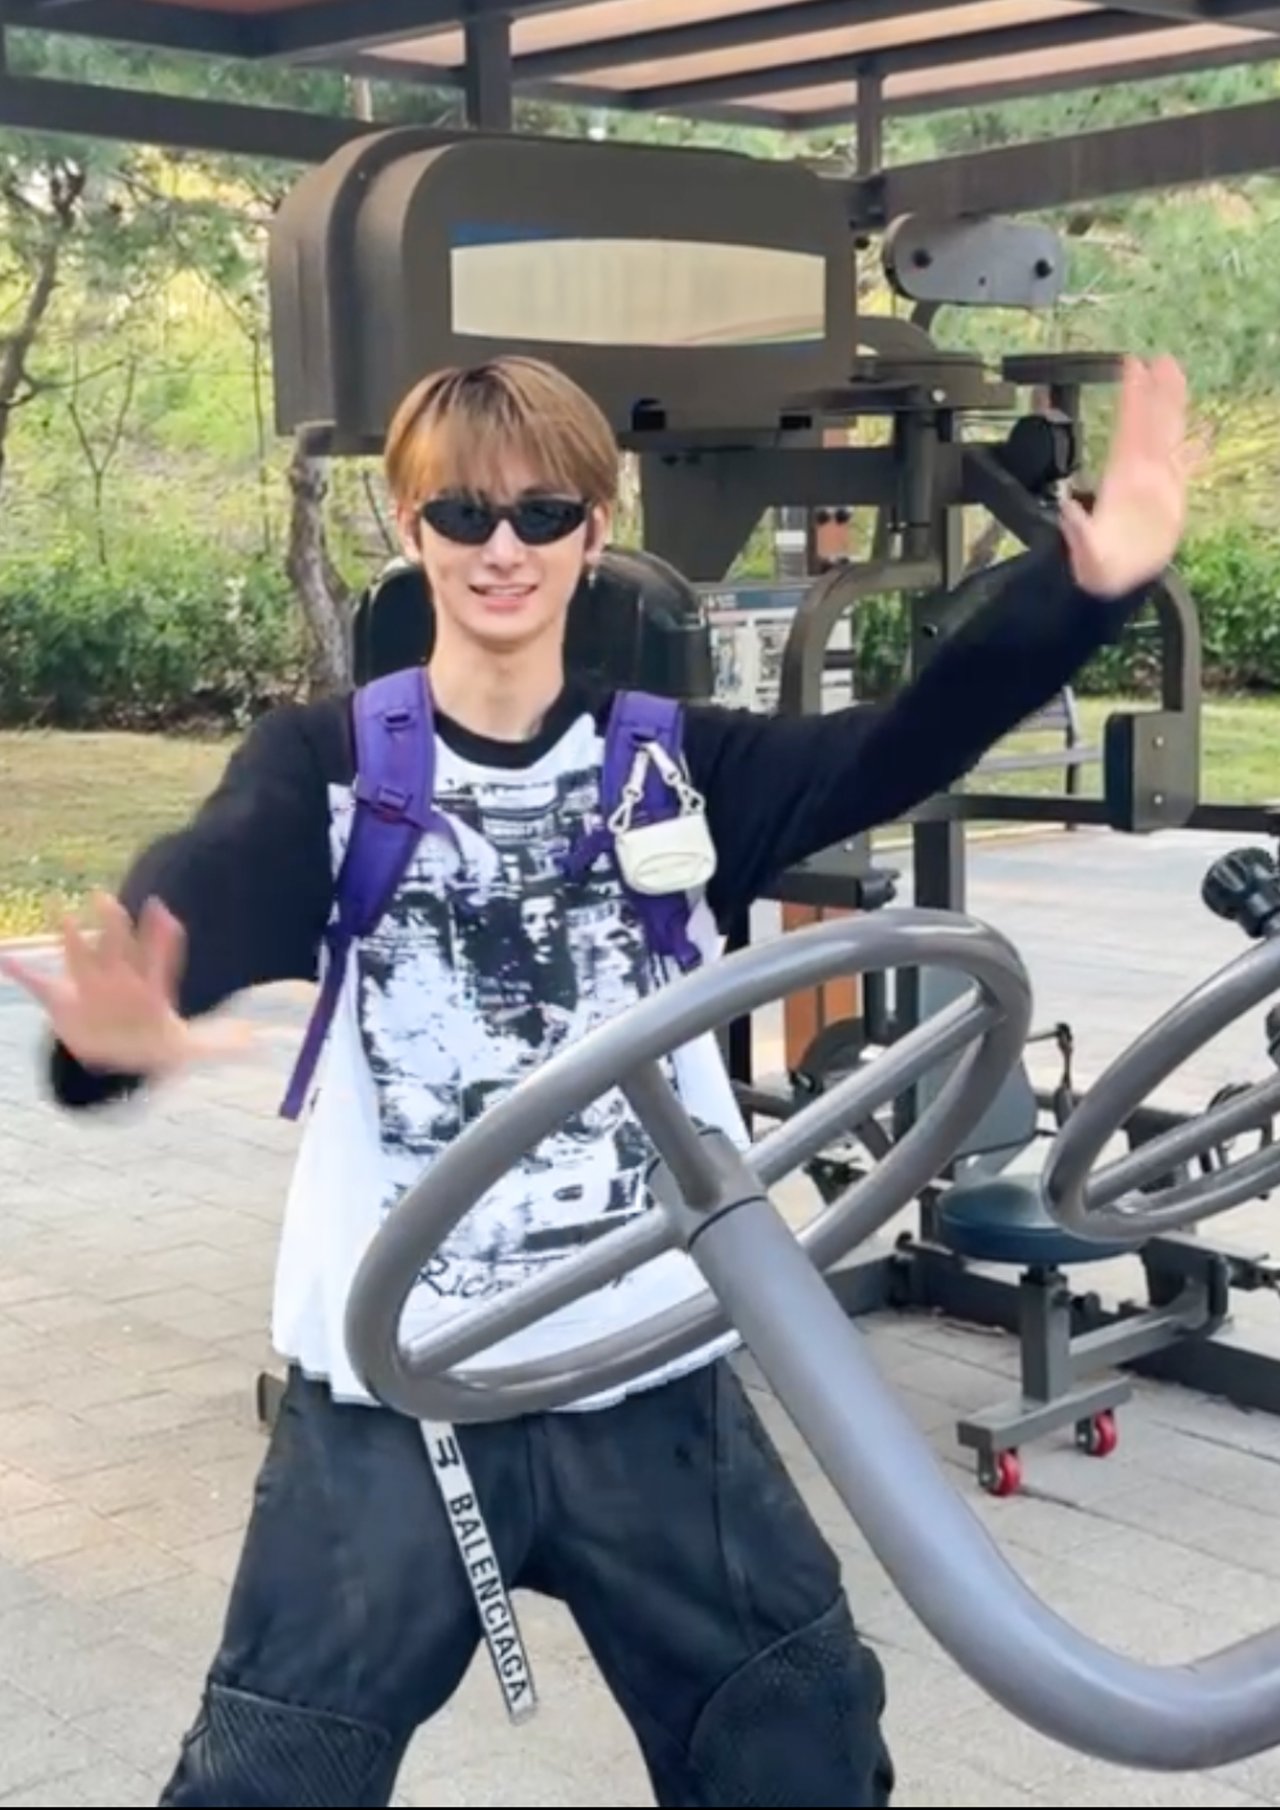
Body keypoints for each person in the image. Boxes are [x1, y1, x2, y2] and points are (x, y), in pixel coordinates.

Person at [3, 350, 1191, 1808]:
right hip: (400, 1397)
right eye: (462, 514)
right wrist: (113, 1036)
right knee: (271, 1779)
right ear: (409, 530)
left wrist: (1083, 592)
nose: (502, 547)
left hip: (648, 1367)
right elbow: (206, 893)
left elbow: (894, 745)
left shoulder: (683, 767)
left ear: (594, 528)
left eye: (542, 512)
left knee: (800, 1740)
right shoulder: (328, 768)